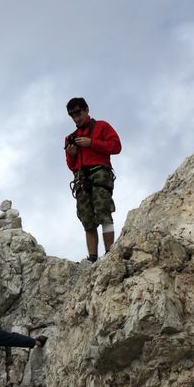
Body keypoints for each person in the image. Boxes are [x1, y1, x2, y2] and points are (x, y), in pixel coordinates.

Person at [64, 96, 121, 263]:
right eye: (72, 115)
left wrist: (91, 143)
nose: (76, 118)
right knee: (86, 218)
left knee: (104, 212)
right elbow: (71, 165)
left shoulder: (102, 126)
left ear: (86, 110)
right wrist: (72, 155)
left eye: (78, 113)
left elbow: (116, 146)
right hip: (81, 179)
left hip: (99, 174)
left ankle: (110, 253)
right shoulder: (70, 138)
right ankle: (93, 258)